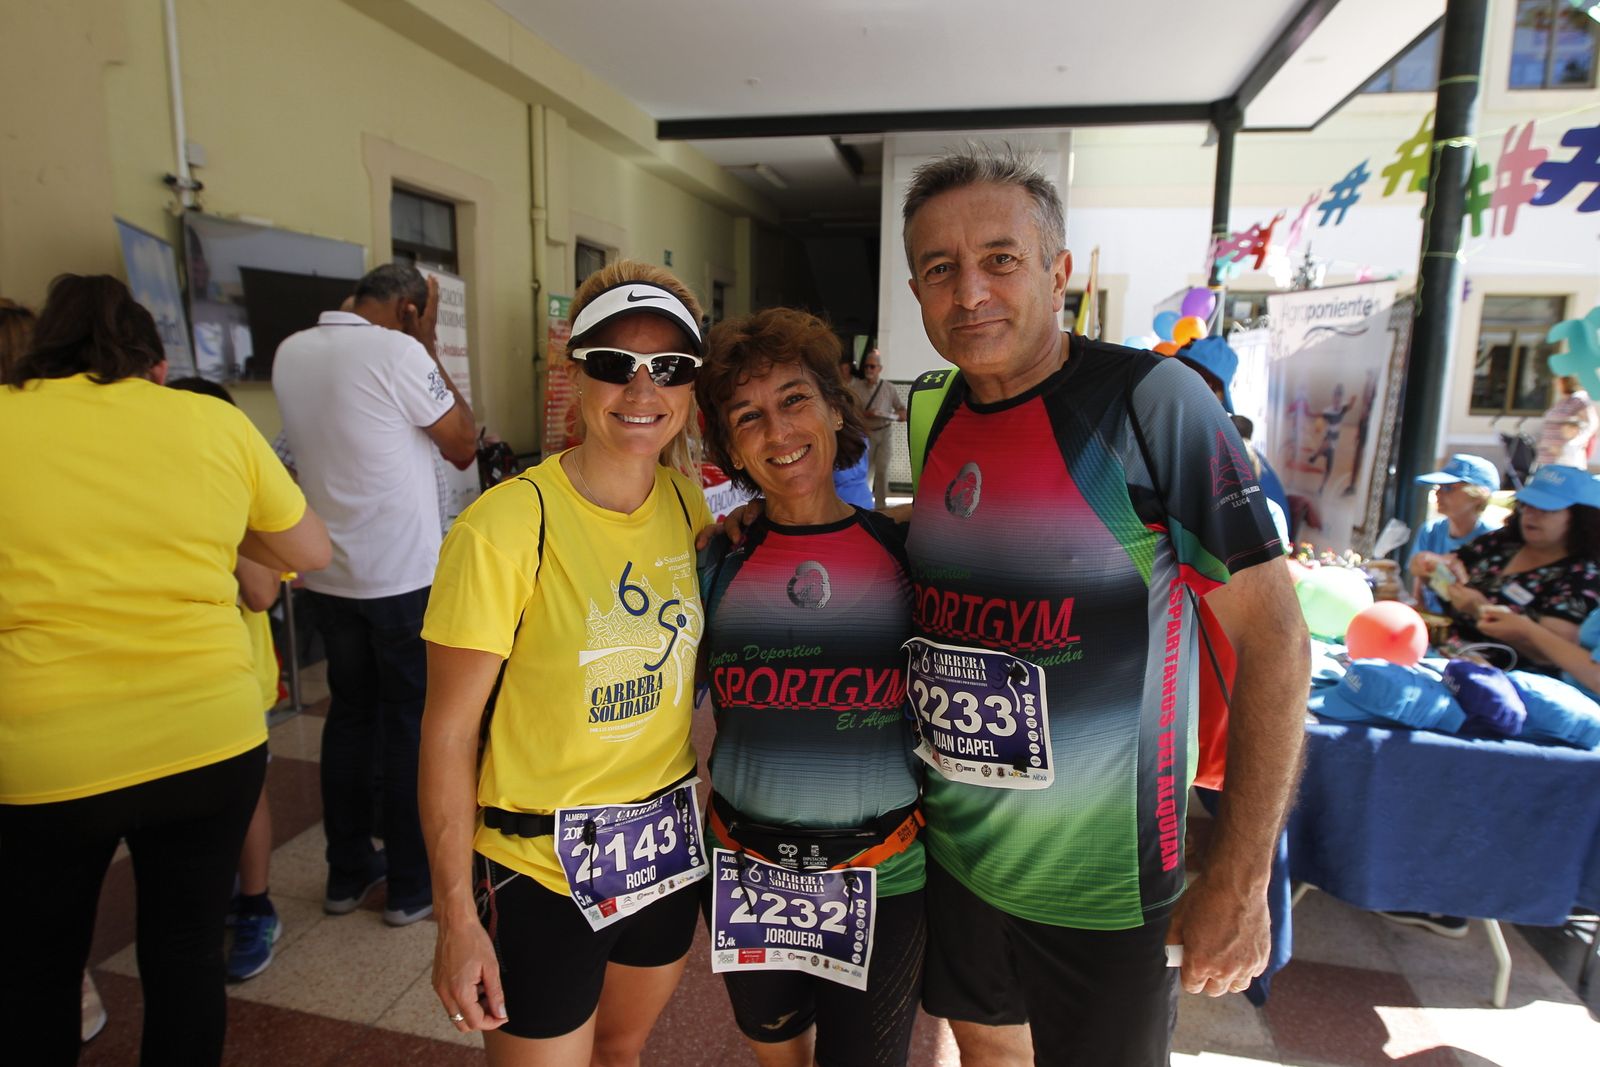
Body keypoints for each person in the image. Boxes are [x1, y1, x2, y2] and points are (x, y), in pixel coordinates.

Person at [898, 146, 1308, 1066]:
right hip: (961, 857)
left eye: (1000, 258)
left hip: (1108, 878)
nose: (970, 292)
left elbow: (1277, 639)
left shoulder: (1151, 403)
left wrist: (1241, 875)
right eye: (940, 268)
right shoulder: (935, 414)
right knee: (986, 1055)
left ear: (1059, 270)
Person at [0, 274, 330, 1066]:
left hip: (49, 747)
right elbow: (309, 551)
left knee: (39, 966)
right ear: (152, 361)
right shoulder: (207, 420)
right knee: (185, 953)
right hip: (207, 734)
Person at [418, 261, 712, 1064]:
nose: (642, 389)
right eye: (615, 363)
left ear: (691, 386)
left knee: (621, 1050)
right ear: (574, 371)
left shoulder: (688, 508)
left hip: (660, 852)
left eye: (670, 368)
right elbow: (447, 732)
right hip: (536, 869)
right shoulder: (506, 526)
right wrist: (456, 915)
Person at [695, 308, 926, 1067]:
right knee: (779, 1056)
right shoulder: (717, 563)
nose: (778, 429)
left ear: (835, 407)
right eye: (748, 416)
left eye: (795, 399)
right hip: (744, 866)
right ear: (730, 446)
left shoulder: (905, 558)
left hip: (882, 875)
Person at [272, 263, 477, 927]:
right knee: (410, 724)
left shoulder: (292, 350)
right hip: (402, 578)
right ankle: (414, 885)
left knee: (351, 714)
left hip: (328, 574)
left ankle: (346, 870)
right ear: (412, 308)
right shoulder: (397, 350)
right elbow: (463, 445)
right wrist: (426, 347)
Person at [169, 375, 289, 980]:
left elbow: (263, 589)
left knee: (242, 799)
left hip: (231, 684)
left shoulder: (234, 499)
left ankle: (254, 903)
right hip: (157, 691)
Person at [1431, 464, 1600, 672]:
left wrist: (1480, 610)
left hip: (1502, 680)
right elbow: (1445, 564)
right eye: (1527, 505)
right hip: (1443, 653)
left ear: (1580, 518)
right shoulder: (1501, 542)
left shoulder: (1584, 577)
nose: (1531, 514)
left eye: (1546, 508)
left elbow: (1552, 655)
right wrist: (1429, 564)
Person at [1405, 454, 1502, 613]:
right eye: (1438, 487)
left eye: (1449, 487)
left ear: (1478, 495)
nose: (1438, 493)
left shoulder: (1493, 540)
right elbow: (1419, 583)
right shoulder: (1430, 531)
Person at [849, 347, 907, 508]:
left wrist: (902, 415)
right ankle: (865, 505)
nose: (869, 370)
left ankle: (881, 508)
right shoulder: (856, 388)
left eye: (872, 366)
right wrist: (865, 415)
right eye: (866, 366)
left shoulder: (888, 388)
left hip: (885, 433)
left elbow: (901, 409)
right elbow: (849, 413)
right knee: (866, 471)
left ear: (880, 369)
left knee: (882, 471)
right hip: (865, 434)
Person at [1537, 375, 1598, 470]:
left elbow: (1592, 424)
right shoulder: (1562, 401)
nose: (1554, 383)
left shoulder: (1579, 399)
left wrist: (1571, 444)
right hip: (1548, 457)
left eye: (1558, 380)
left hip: (1565, 458)